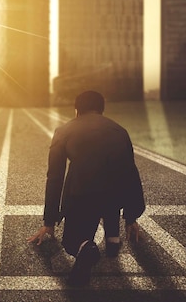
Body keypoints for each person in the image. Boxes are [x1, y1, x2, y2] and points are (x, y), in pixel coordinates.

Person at [27, 90, 145, 287]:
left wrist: (49, 221)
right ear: (102, 109)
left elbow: (55, 176)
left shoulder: (64, 130)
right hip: (113, 195)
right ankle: (113, 239)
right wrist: (132, 216)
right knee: (110, 191)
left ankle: (86, 247)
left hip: (80, 192)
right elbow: (130, 172)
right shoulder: (119, 130)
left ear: (76, 110)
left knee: (71, 243)